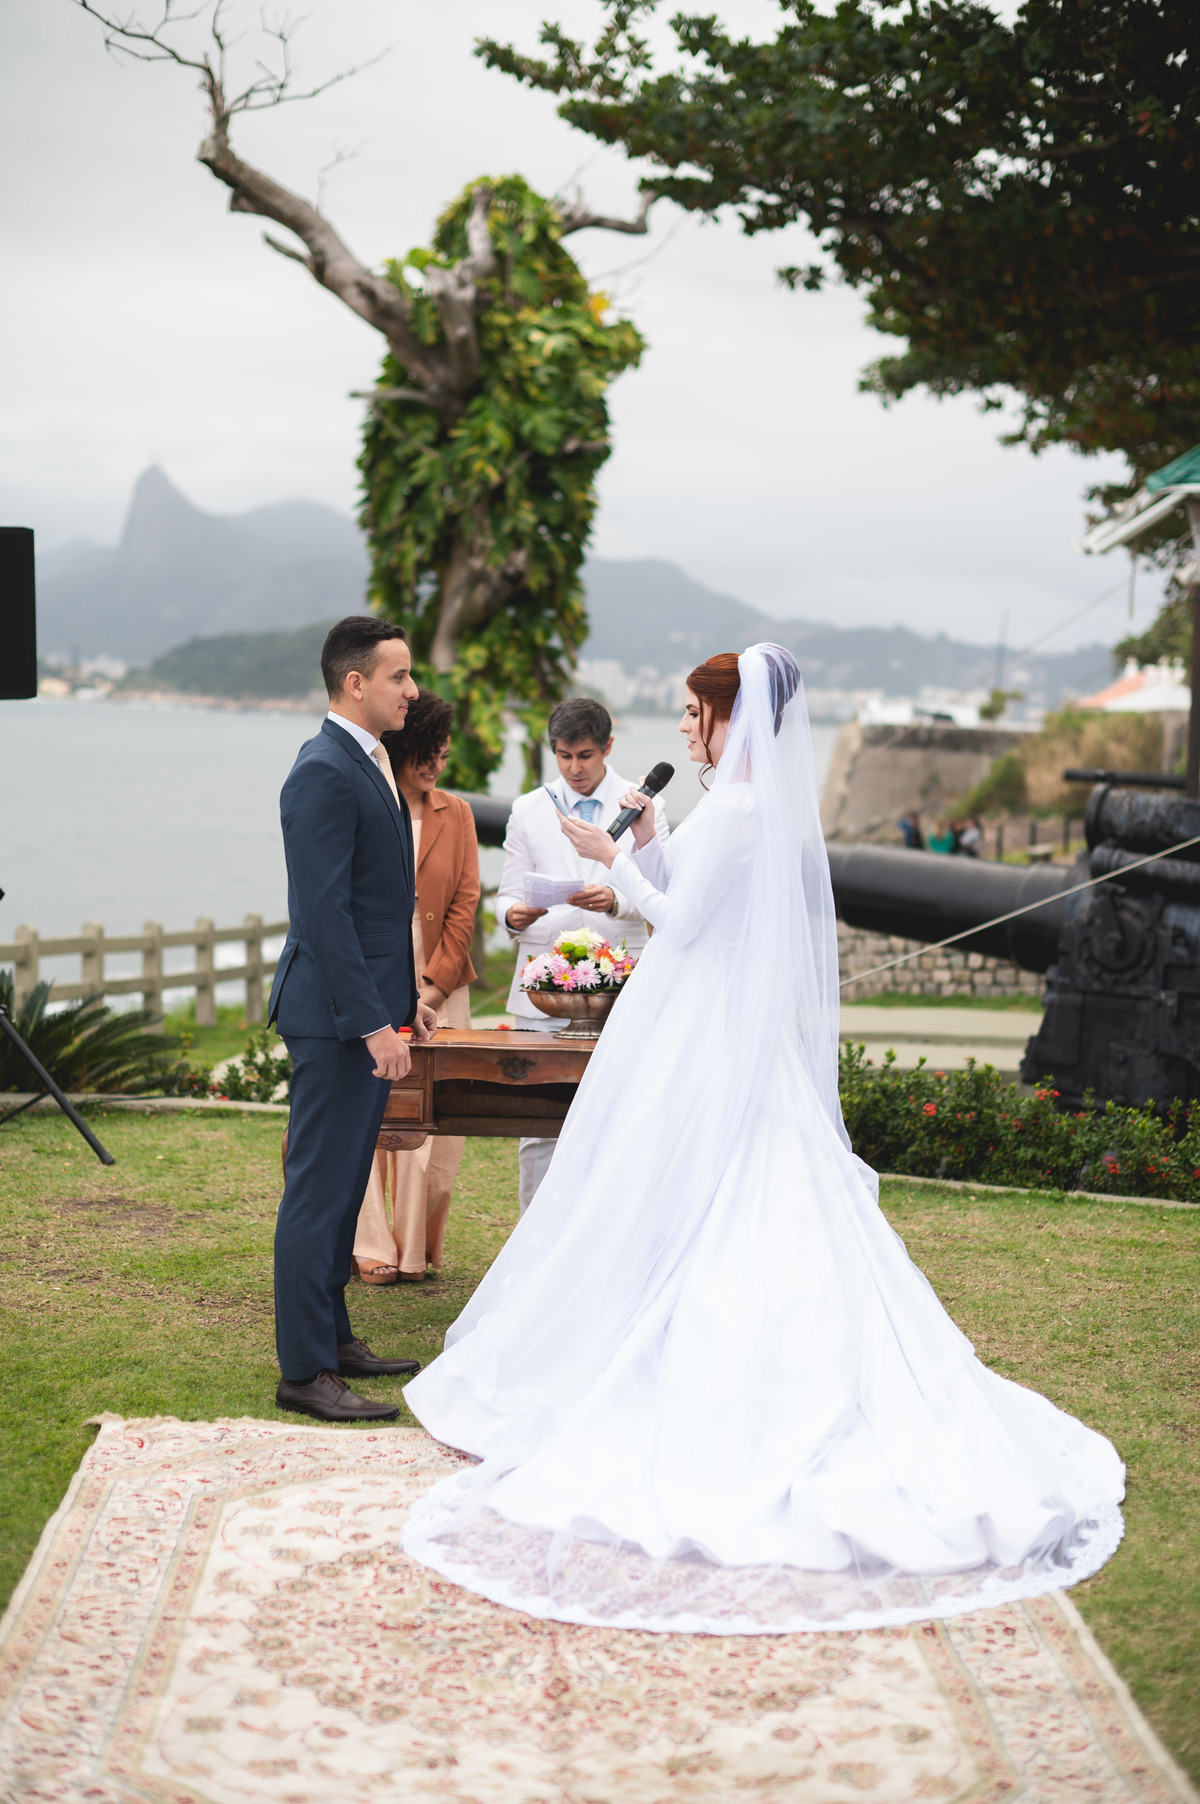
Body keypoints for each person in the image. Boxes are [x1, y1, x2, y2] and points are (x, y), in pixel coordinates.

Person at [400, 644, 1124, 1634]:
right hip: (699, 1018)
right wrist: (650, 841)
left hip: (703, 1022)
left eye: (701, 714)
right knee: (668, 1190)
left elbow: (682, 925)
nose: (690, 729)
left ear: (737, 719)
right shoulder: (734, 809)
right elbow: (688, 897)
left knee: (710, 1191)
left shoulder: (741, 812)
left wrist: (617, 862)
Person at [267, 616, 438, 1424]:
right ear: (354, 684)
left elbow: (379, 909)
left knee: (340, 1195)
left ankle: (334, 1341)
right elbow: (324, 916)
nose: (414, 690)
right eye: (400, 677)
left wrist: (409, 1009)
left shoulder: (367, 760)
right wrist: (373, 1025)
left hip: (369, 1016)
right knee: (318, 1193)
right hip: (336, 1024)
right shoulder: (323, 771)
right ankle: (303, 1372)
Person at [494, 695, 668, 1213]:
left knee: (623, 1122)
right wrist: (513, 915)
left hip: (622, 985)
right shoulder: (528, 808)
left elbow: (664, 888)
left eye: (585, 756)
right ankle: (534, 1246)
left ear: (608, 747)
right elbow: (505, 894)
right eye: (564, 756)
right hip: (541, 991)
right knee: (539, 1127)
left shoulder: (641, 804)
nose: (574, 768)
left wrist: (617, 899)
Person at [353, 690, 481, 1284]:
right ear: (401, 746)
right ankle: (371, 1245)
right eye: (425, 753)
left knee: (435, 1125)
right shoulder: (373, 804)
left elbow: (465, 904)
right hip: (378, 976)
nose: (434, 765)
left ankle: (416, 1248)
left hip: (443, 984)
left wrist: (431, 991)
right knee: (375, 1116)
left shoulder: (457, 814)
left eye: (443, 755)